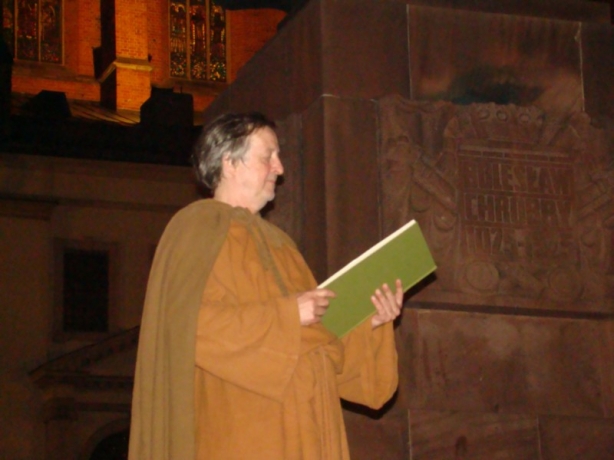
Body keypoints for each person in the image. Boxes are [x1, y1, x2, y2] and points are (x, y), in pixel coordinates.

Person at [128, 112, 403, 460]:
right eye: (268, 156)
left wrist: (370, 323)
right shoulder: (196, 229)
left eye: (278, 156)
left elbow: (321, 343)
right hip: (246, 433)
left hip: (309, 432)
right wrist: (288, 315)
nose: (280, 168)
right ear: (230, 163)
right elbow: (186, 329)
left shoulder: (282, 244)